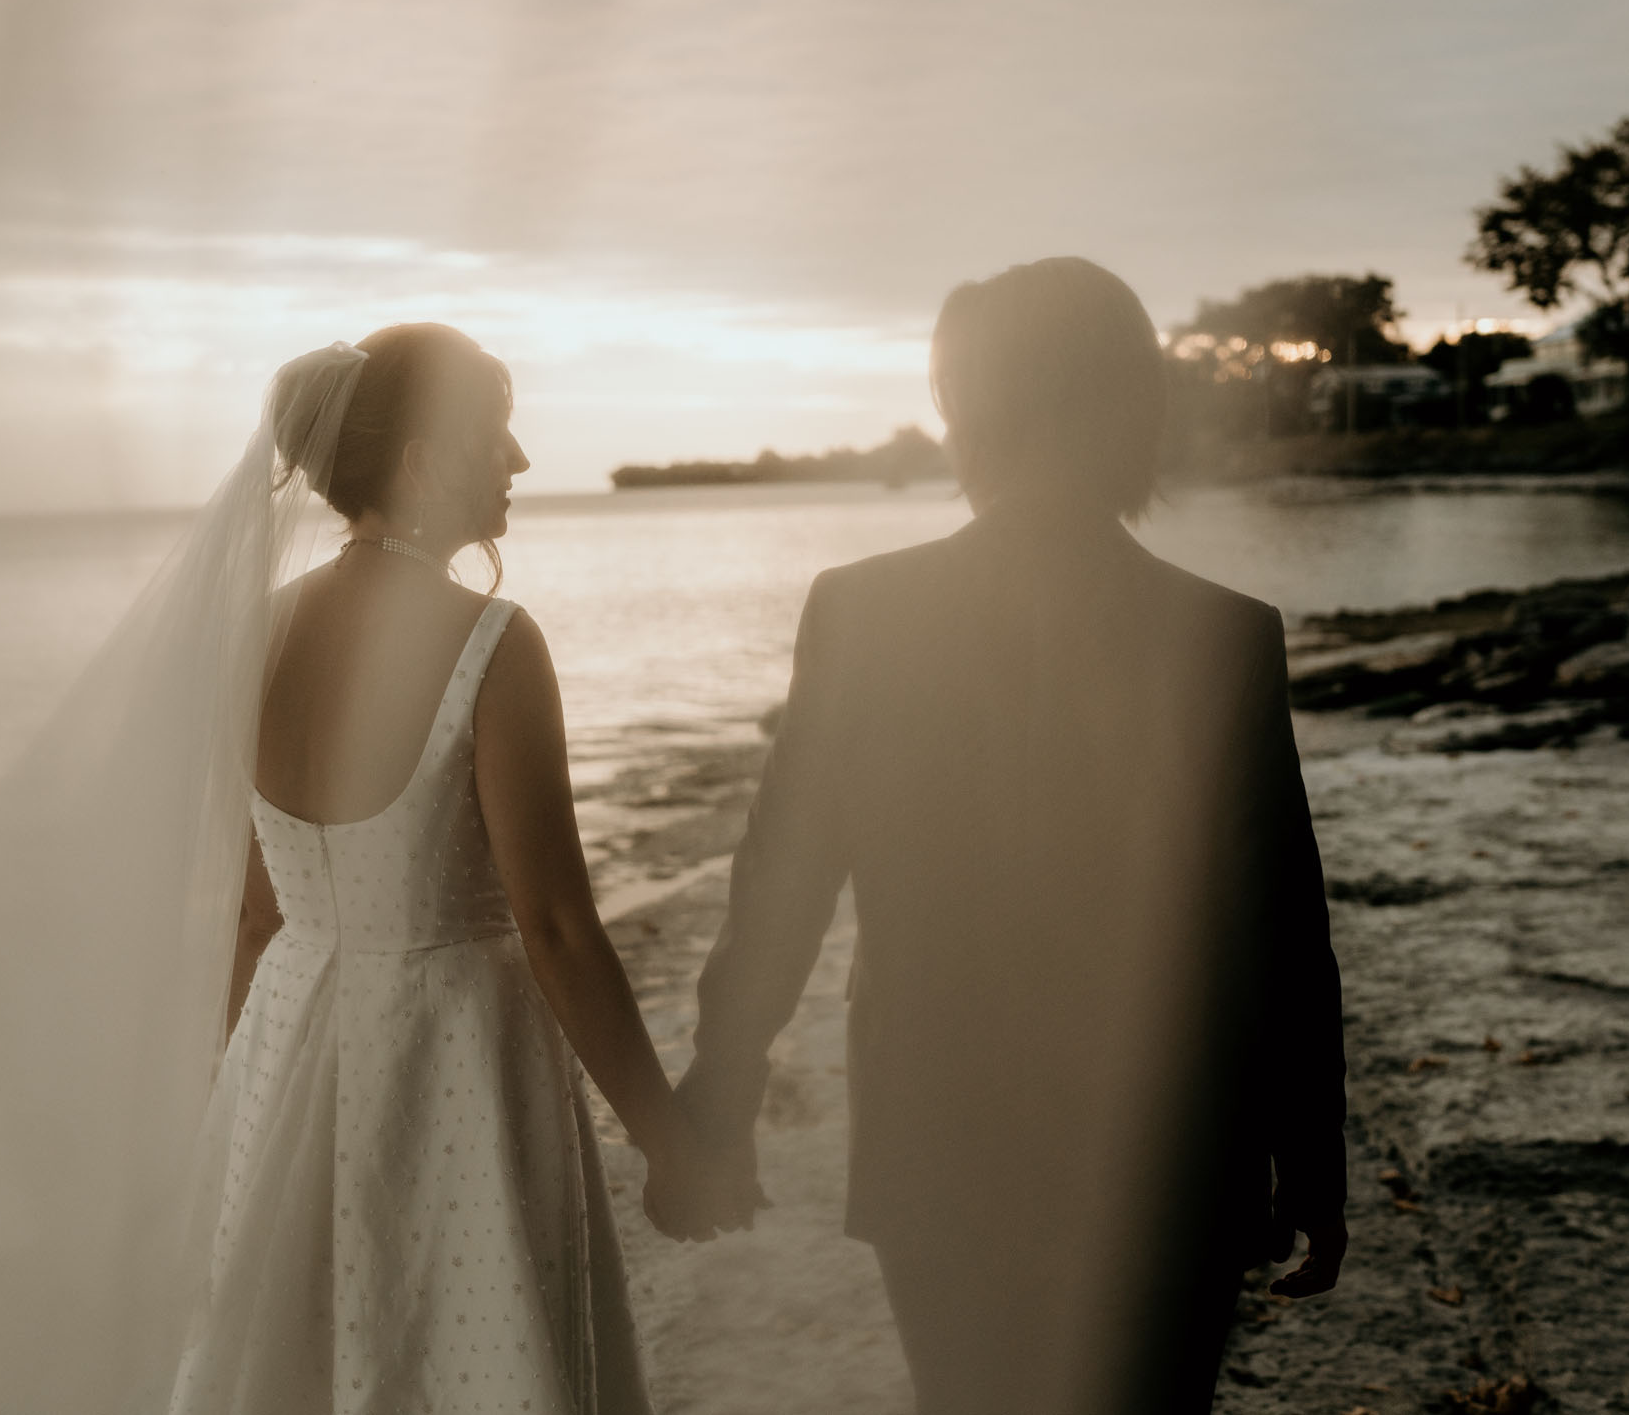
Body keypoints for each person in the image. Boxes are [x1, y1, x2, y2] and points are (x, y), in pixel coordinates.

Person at [674, 258, 1349, 1413]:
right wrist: (1313, 1160)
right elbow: (1278, 923)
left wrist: (719, 1096)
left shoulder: (861, 609)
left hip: (942, 1130)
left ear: (966, 410)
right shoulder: (1224, 633)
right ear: (1135, 406)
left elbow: (781, 884)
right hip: (1172, 1143)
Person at [167, 325, 716, 1413]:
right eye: (497, 434)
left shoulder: (252, 638)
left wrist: (229, 1115)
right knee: (469, 1353)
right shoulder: (493, 643)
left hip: (287, 1042)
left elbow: (248, 918)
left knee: (302, 1358)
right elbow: (556, 925)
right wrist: (668, 1137)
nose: (518, 461)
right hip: (454, 1051)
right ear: (421, 462)